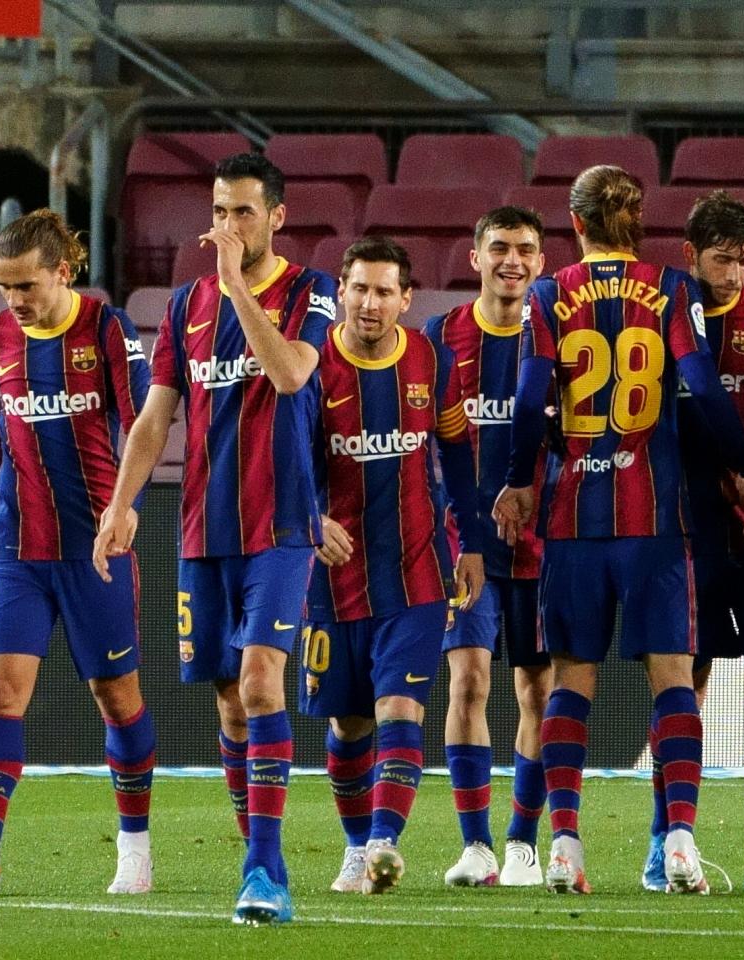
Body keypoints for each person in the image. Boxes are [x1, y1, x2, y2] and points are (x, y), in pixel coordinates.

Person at [491, 165, 744, 895]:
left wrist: (519, 480)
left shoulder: (547, 294)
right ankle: (680, 843)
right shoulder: (670, 288)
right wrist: (742, 461)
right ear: (638, 222)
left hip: (574, 518)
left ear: (575, 224)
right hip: (656, 520)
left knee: (570, 682)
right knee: (673, 680)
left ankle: (565, 846)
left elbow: (528, 400)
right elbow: (702, 384)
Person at [93, 153, 338, 925]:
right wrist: (122, 503)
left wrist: (238, 286)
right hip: (206, 529)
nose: (226, 226)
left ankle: (266, 872)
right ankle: (253, 853)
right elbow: (155, 417)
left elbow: (292, 374)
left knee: (263, 682)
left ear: (277, 217)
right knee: (231, 703)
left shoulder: (311, 290)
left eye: (242, 212)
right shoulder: (184, 306)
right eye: (219, 212)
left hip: (283, 527)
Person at [0, 209, 155, 897]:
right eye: (4, 287)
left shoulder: (107, 330)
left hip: (94, 547)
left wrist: (126, 508)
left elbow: (144, 423)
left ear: (63, 272)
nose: (14, 300)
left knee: (116, 699)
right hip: (17, 545)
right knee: (1, 686)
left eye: (25, 285)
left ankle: (135, 845)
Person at [302, 236, 486, 896]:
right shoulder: (313, 366)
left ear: (406, 299)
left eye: (384, 291)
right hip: (332, 579)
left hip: (416, 572)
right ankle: (356, 847)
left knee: (400, 708)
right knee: (348, 723)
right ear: (341, 292)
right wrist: (309, 519)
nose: (370, 302)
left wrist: (471, 543)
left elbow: (457, 453)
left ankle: (383, 842)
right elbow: (286, 460)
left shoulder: (431, 360)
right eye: (360, 288)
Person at [641, 191, 744, 896]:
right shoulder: (664, 315)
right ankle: (666, 839)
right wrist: (724, 472)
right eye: (720, 260)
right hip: (688, 527)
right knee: (686, 682)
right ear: (690, 255)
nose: (734, 274)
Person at [422, 206, 554, 888]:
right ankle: (475, 846)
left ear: (541, 262)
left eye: (525, 249)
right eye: (499, 247)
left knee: (538, 692)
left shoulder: (558, 336)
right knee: (469, 680)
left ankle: (523, 842)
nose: (512, 260)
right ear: (475, 258)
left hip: (542, 544)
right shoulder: (439, 338)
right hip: (464, 543)